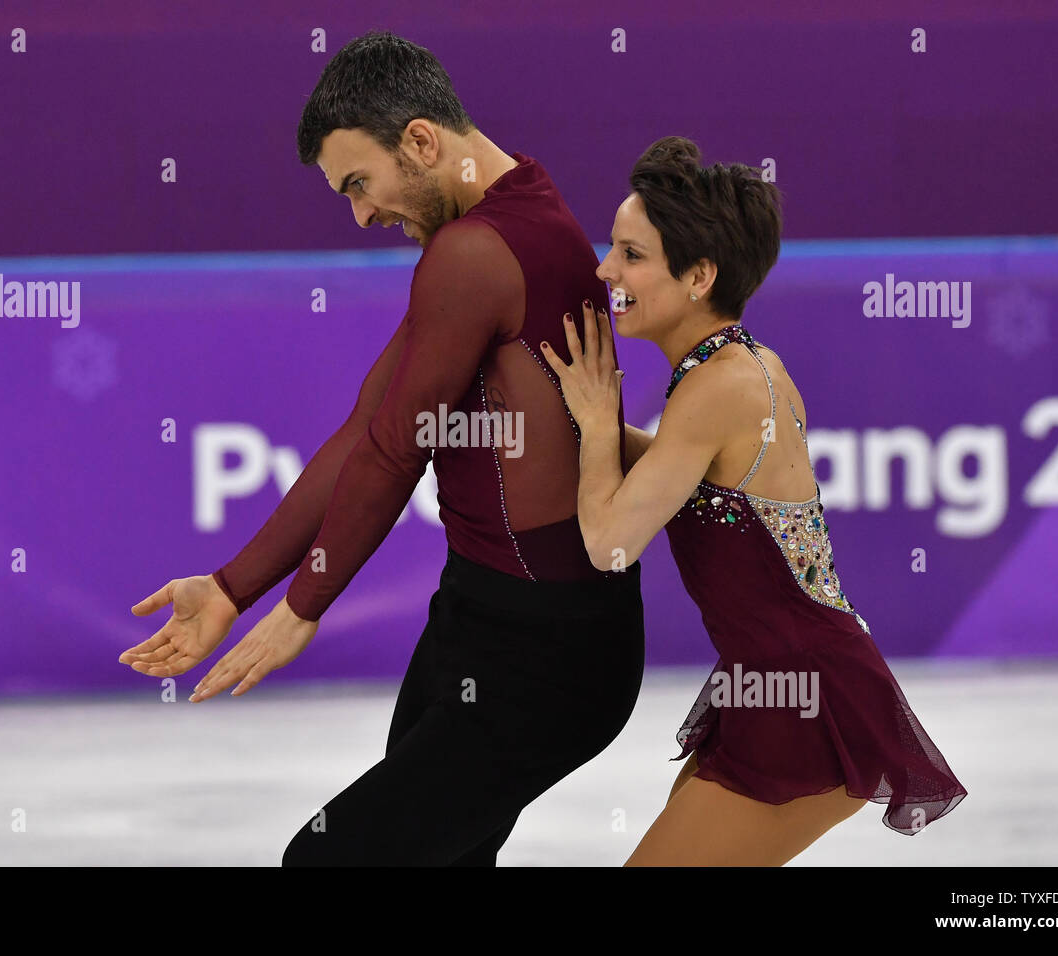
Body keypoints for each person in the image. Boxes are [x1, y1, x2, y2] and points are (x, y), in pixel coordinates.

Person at [119, 31, 647, 866]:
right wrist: (230, 587)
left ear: (423, 141)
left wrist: (300, 608)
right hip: (486, 620)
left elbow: (397, 456)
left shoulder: (474, 252)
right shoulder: (511, 213)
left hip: (546, 652)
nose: (362, 214)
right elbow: (370, 430)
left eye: (360, 184)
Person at [541, 136, 967, 866]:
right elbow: (688, 486)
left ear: (699, 274)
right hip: (777, 681)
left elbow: (609, 542)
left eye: (631, 254)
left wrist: (591, 427)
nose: (605, 268)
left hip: (801, 698)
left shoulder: (721, 389)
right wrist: (604, 429)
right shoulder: (740, 367)